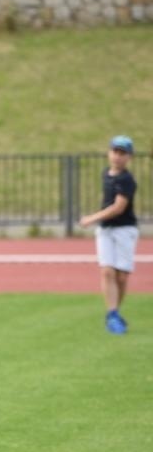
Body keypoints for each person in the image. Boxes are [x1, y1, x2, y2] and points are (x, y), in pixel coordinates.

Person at [78, 135, 137, 335]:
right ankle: (112, 313)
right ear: (109, 153)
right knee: (107, 271)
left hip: (124, 230)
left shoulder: (126, 180)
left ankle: (115, 312)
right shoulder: (107, 174)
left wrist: (91, 218)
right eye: (115, 152)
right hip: (105, 230)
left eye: (122, 153)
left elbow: (119, 207)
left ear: (129, 157)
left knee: (121, 276)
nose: (117, 157)